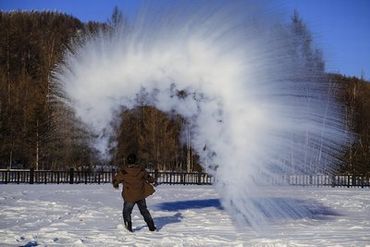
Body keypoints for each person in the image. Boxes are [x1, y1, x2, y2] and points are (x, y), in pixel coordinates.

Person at [112, 153, 156, 232]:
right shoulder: (141, 170)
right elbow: (149, 178)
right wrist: (152, 180)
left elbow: (116, 180)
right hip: (140, 195)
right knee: (144, 211)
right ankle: (151, 226)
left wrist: (115, 183)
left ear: (127, 161)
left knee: (126, 212)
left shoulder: (124, 172)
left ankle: (128, 227)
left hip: (129, 196)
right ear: (136, 161)